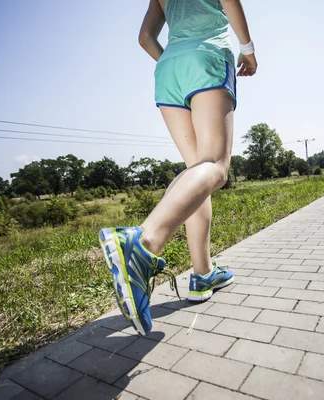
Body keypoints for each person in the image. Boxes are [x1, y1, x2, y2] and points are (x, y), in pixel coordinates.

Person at [99, 0, 257, 336]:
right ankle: (143, 243)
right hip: (208, 58)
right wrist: (248, 50)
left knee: (195, 172)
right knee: (215, 167)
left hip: (169, 67)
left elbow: (145, 37)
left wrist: (174, 59)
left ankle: (202, 273)